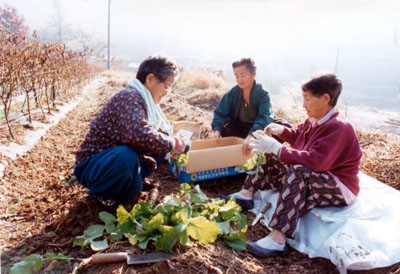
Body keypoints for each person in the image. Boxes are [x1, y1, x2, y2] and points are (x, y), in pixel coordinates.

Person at [222, 73, 362, 257]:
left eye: (307, 99)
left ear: (325, 99)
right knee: (270, 155)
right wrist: (281, 132)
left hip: (338, 184)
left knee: (297, 171)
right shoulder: (315, 119)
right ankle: (246, 194)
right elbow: (298, 136)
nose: (303, 105)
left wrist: (278, 148)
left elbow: (316, 162)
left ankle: (278, 238)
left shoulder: (339, 127)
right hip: (319, 174)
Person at [73, 55, 190, 206]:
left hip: (110, 159)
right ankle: (104, 193)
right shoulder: (129, 97)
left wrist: (169, 139)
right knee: (126, 156)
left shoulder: (142, 100)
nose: (167, 92)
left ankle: (133, 180)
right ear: (150, 79)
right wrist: (173, 143)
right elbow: (139, 135)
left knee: (162, 137)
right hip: (93, 165)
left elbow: (148, 136)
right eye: (166, 86)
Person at [211, 58, 275, 155]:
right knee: (227, 131)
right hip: (242, 127)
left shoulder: (262, 94)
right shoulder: (233, 93)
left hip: (259, 128)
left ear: (253, 75)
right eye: (236, 76)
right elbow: (220, 112)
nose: (239, 79)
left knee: (279, 132)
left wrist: (252, 135)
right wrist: (217, 129)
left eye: (243, 75)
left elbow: (264, 117)